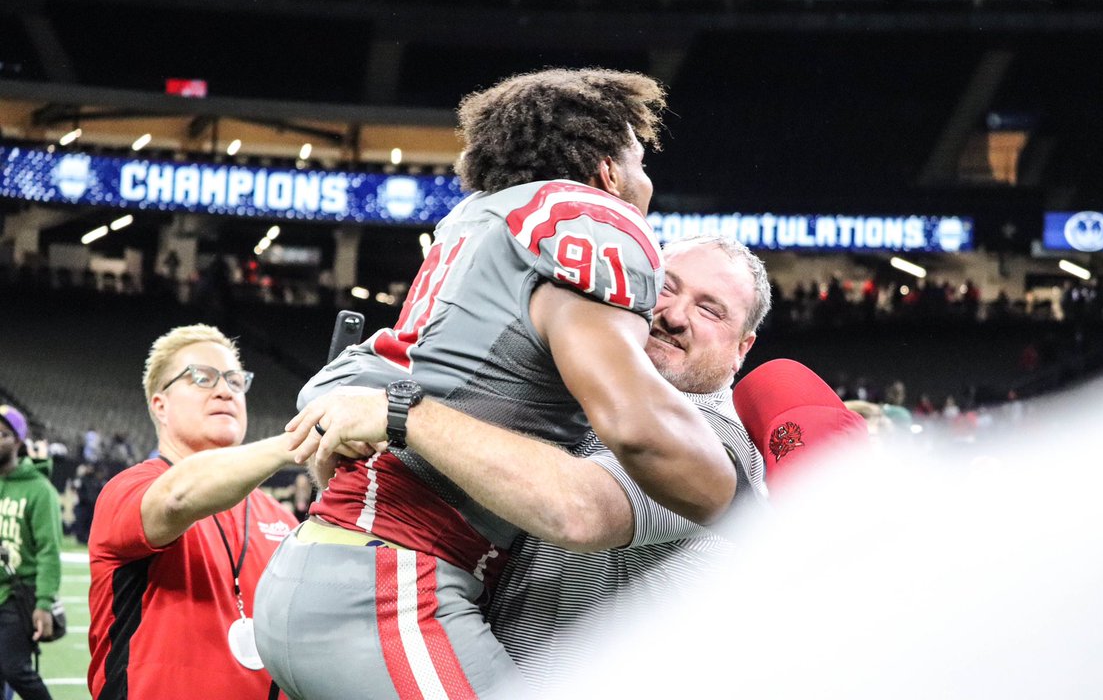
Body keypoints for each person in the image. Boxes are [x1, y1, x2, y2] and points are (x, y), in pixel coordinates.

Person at [255, 69, 736, 699]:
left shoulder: (477, 219)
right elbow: (642, 442)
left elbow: (345, 391)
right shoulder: (590, 221)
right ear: (608, 172)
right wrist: (740, 498)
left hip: (326, 568)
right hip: (392, 588)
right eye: (641, 163)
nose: (648, 184)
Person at [267, 235, 772, 696]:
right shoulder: (577, 404)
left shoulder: (713, 444)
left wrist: (403, 412)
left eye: (710, 310)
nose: (674, 315)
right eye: (666, 287)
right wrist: (351, 450)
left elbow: (577, 509)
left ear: (740, 351)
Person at [87, 325, 299, 699]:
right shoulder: (128, 490)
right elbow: (176, 500)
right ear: (160, 405)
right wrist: (296, 441)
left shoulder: (281, 520)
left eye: (235, 380)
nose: (225, 390)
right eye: (201, 377)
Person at [0, 404, 61, 700]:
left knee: (14, 669)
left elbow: (50, 551)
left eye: (2, 434)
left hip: (18, 593)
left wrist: (44, 604)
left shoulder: (39, 490)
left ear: (19, 442)